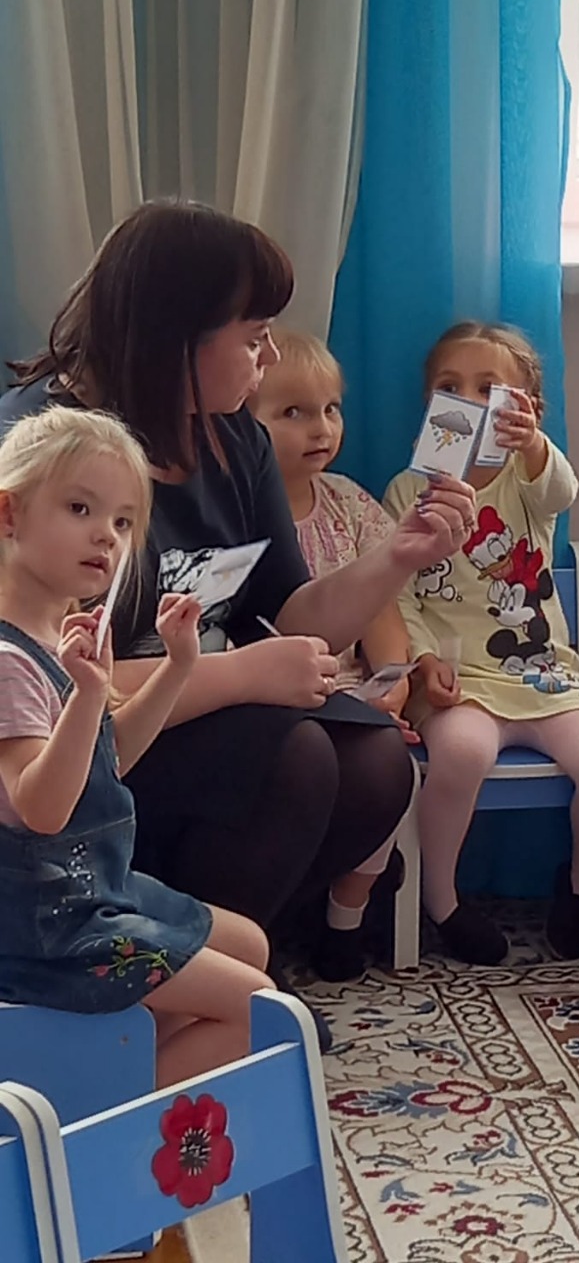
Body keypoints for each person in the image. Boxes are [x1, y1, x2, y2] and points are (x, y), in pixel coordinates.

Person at [0, 201, 476, 1048]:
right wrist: (237, 675)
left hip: (177, 707)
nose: (268, 355)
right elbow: (46, 666)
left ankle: (223, 967)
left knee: (376, 762)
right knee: (296, 758)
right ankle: (175, 993)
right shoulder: (54, 449)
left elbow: (290, 612)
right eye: (253, 335)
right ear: (179, 336)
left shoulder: (233, 438)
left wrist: (396, 556)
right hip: (75, 752)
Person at [0, 406, 273, 1087]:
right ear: (9, 515)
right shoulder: (10, 663)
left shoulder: (59, 639)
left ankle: (118, 1071)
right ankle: (116, 1128)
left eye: (124, 522)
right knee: (259, 1010)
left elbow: (106, 759)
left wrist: (177, 667)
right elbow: (42, 809)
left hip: (92, 892)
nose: (107, 535)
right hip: (45, 929)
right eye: (80, 508)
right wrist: (89, 692)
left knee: (251, 945)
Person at [383, 321, 579, 964]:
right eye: (450, 387)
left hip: (544, 676)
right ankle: (442, 901)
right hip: (460, 682)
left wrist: (534, 444)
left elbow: (562, 490)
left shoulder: (527, 480)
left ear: (525, 407)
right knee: (460, 754)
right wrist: (422, 662)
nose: (469, 400)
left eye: (489, 389)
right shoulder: (410, 491)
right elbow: (398, 592)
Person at [248, 328, 416, 981]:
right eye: (293, 412)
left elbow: (382, 615)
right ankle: (273, 916)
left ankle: (346, 917)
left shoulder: (349, 505)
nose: (320, 428)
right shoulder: (242, 509)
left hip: (350, 692)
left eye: (330, 409)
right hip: (276, 691)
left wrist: (393, 686)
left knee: (389, 756)